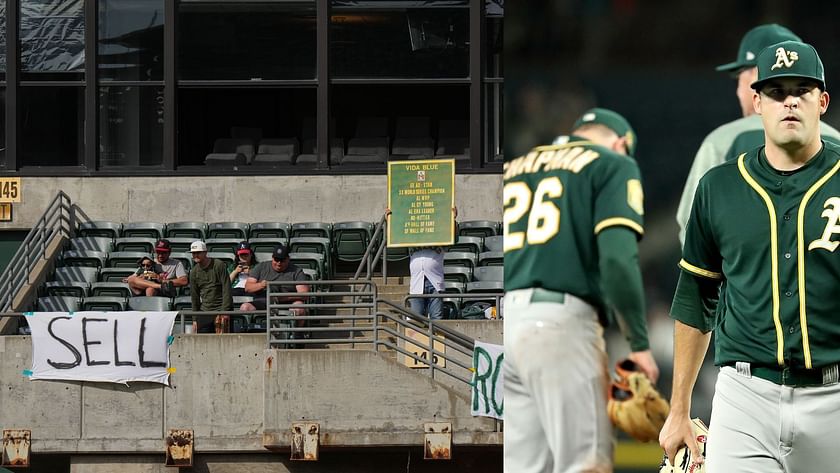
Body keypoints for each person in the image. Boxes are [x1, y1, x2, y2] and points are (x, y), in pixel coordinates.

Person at [660, 40, 840, 472]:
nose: (790, 100)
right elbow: (695, 298)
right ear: (757, 101)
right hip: (745, 397)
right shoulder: (719, 186)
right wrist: (678, 408)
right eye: (777, 91)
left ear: (823, 101)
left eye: (802, 89)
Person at [504, 108, 658, 473]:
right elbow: (618, 261)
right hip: (559, 324)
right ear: (621, 143)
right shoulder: (611, 163)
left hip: (503, 328)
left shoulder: (514, 167)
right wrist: (639, 345)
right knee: (586, 465)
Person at [676, 24, 840, 246]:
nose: (737, 91)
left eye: (739, 79)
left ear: (757, 77)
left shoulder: (723, 141)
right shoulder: (836, 140)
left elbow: (692, 230)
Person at [403, 207, 457, 320]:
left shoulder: (441, 231)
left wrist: (452, 219)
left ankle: (435, 339)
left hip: (435, 281)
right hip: (417, 282)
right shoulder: (409, 233)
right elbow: (394, 236)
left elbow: (454, 238)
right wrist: (390, 221)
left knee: (436, 319)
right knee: (415, 319)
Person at [240, 244, 309, 321]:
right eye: (276, 259)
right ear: (272, 258)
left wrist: (283, 297)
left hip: (288, 302)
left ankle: (297, 333)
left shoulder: (296, 271)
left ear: (288, 259)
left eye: (282, 260)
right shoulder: (261, 266)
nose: (279, 263)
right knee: (245, 307)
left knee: (299, 308)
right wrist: (261, 285)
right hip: (263, 300)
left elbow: (304, 294)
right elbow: (248, 288)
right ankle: (250, 331)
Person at [188, 240, 233, 333]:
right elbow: (194, 297)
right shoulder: (193, 272)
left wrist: (225, 311)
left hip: (221, 309)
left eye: (198, 253)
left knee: (223, 341)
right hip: (205, 311)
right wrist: (195, 319)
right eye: (193, 253)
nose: (195, 255)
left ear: (205, 253)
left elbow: (226, 288)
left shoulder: (219, 265)